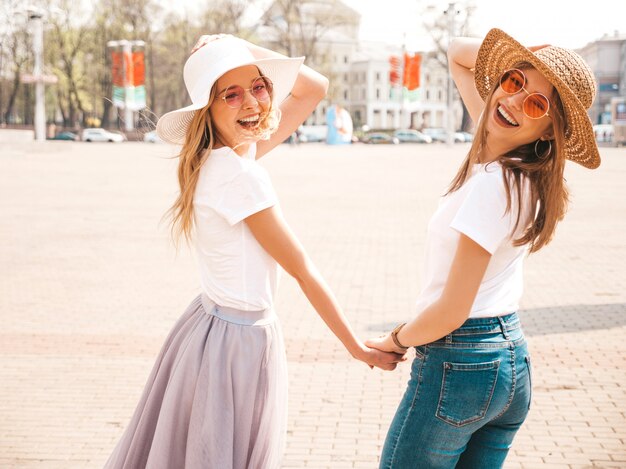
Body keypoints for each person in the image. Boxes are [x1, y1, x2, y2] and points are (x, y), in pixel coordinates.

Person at [104, 34, 404, 469]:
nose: (252, 103)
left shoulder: (219, 155)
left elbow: (312, 88)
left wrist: (232, 45)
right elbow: (302, 270)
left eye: (259, 87)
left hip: (208, 327)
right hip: (238, 343)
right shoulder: (240, 174)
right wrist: (355, 346)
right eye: (231, 94)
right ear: (209, 109)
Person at [366, 28, 600, 468]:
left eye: (536, 103)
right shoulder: (517, 168)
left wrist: (396, 339)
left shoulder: (493, 186)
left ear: (550, 129)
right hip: (511, 360)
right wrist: (530, 54)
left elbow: (452, 309)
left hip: (460, 362)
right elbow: (458, 53)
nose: (512, 102)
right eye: (514, 81)